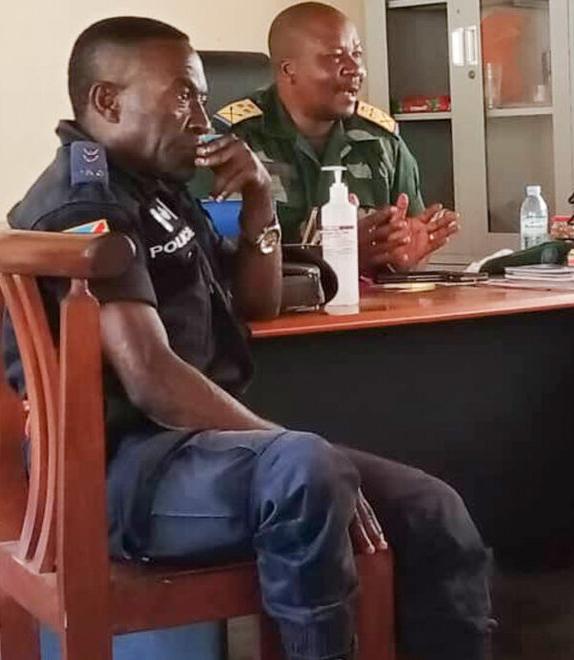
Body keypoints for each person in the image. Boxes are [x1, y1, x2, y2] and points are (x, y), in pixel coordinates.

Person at [4, 17, 492, 660]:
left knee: (432, 509)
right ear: (108, 101)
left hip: (196, 455)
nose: (203, 118)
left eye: (203, 97)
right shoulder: (83, 202)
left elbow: (257, 301)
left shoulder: (156, 189)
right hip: (121, 475)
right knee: (308, 468)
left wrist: (260, 198)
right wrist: (283, 442)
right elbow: (151, 378)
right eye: (183, 95)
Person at [212, 1, 459, 273]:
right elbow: (215, 264)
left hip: (370, 300)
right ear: (289, 69)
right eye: (335, 57)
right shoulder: (232, 144)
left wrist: (405, 260)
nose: (355, 69)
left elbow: (408, 245)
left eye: (357, 54)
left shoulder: (381, 141)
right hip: (278, 300)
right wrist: (337, 257)